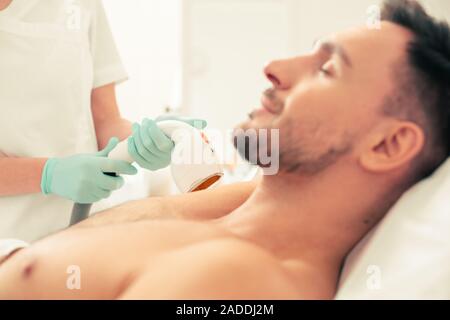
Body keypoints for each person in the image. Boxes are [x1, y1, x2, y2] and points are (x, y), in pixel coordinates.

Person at [0, 0, 449, 299]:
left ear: (388, 144)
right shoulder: (250, 207)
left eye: (327, 69)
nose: (272, 67)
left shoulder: (233, 280)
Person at [0, 0, 205, 242]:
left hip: (79, 233)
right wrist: (49, 174)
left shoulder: (81, 6)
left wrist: (145, 140)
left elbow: (107, 121)